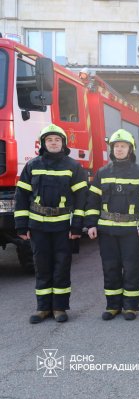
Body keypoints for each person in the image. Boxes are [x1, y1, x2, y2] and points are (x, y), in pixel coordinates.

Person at [15, 124, 88, 324]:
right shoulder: (32, 166)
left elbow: (82, 199)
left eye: (57, 140)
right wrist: (21, 225)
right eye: (49, 140)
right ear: (43, 143)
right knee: (42, 265)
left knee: (62, 266)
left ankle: (59, 308)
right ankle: (42, 308)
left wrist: (76, 227)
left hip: (63, 226)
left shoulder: (73, 166)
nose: (53, 143)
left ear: (63, 143)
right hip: (38, 225)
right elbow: (21, 196)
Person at [85, 129, 139, 321]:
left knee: (131, 268)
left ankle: (131, 307)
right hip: (107, 230)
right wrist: (91, 224)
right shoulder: (102, 173)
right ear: (112, 149)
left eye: (123, 146)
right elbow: (93, 201)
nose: (120, 149)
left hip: (131, 231)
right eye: (116, 146)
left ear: (130, 149)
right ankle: (113, 305)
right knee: (110, 267)